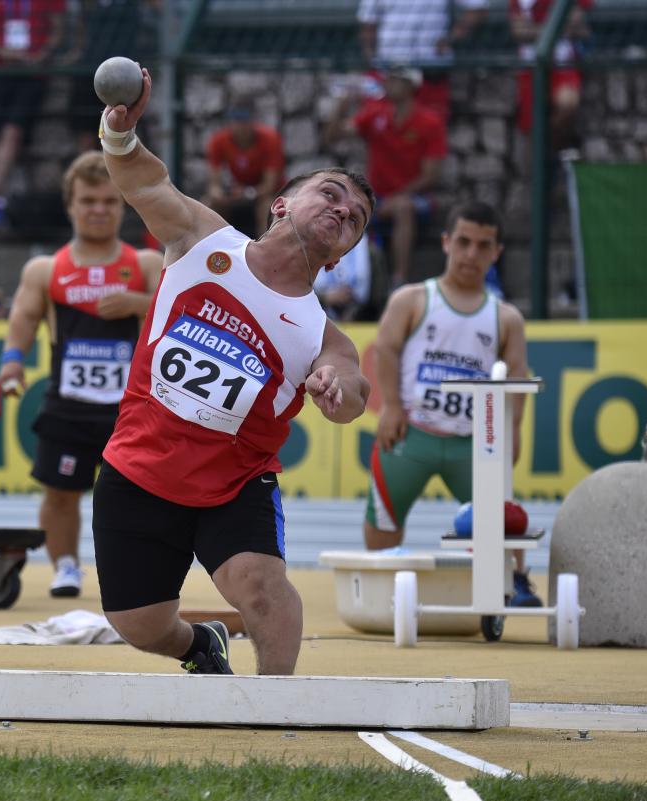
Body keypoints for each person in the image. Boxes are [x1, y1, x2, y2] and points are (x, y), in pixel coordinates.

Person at [92, 68, 375, 675]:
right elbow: (145, 182)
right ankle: (200, 646)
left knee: (261, 589)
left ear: (348, 248)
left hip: (232, 483)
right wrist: (120, 132)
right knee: (138, 624)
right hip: (140, 465)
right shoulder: (202, 240)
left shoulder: (322, 333)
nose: (343, 210)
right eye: (330, 194)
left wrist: (335, 390)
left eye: (355, 217)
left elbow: (353, 390)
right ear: (282, 203)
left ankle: (273, 722)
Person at [0, 151, 163, 597]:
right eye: (88, 200)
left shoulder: (146, 265)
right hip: (68, 406)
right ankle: (66, 567)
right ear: (71, 205)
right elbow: (24, 318)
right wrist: (12, 360)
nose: (98, 210)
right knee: (59, 493)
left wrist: (137, 304)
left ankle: (131, 573)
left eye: (109, 201)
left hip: (129, 411)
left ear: (121, 206)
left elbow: (182, 316)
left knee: (136, 498)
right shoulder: (47, 269)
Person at [363, 200, 542, 607]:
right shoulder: (412, 299)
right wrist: (390, 406)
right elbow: (385, 351)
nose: (471, 254)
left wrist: (512, 432)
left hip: (473, 444)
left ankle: (514, 582)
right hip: (413, 433)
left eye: (483, 246)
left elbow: (515, 380)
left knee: (500, 520)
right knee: (384, 520)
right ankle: (378, 588)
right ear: (446, 243)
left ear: (496, 252)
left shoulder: (506, 317)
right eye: (463, 242)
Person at [325, 65, 447, 289]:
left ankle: (399, 281)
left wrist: (398, 195)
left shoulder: (429, 122)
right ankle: (341, 281)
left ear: (411, 86)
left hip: (414, 198)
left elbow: (431, 175)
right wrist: (340, 108)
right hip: (378, 197)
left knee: (402, 207)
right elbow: (334, 136)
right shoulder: (375, 115)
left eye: (395, 79)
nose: (388, 83)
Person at [0, 0, 65, 228]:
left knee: (12, 132)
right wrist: (6, 52)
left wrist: (40, 55)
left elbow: (57, 29)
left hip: (33, 73)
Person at [357, 0, 488, 120]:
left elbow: (478, 8)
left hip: (430, 68)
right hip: (389, 69)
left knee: (430, 128)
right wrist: (372, 61)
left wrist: (450, 39)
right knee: (381, 128)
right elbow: (368, 24)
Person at [63, 0, 156, 155]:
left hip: (127, 76)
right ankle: (91, 175)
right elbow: (82, 25)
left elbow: (161, 8)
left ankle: (131, 177)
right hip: (90, 71)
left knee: (131, 135)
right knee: (87, 137)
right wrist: (76, 53)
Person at [509, 0, 592, 152]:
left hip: (564, 63)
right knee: (531, 128)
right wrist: (559, 30)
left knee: (568, 104)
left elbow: (577, 21)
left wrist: (535, 30)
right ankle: (543, 162)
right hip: (530, 66)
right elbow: (518, 31)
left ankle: (553, 151)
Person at [202, 98, 286, 239]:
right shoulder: (218, 141)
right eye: (236, 119)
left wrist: (248, 193)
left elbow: (269, 185)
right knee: (209, 204)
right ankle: (210, 251)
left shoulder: (270, 139)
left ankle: (265, 250)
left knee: (267, 206)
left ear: (253, 120)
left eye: (244, 119)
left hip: (263, 195)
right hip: (238, 193)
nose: (240, 125)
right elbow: (214, 184)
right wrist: (219, 194)